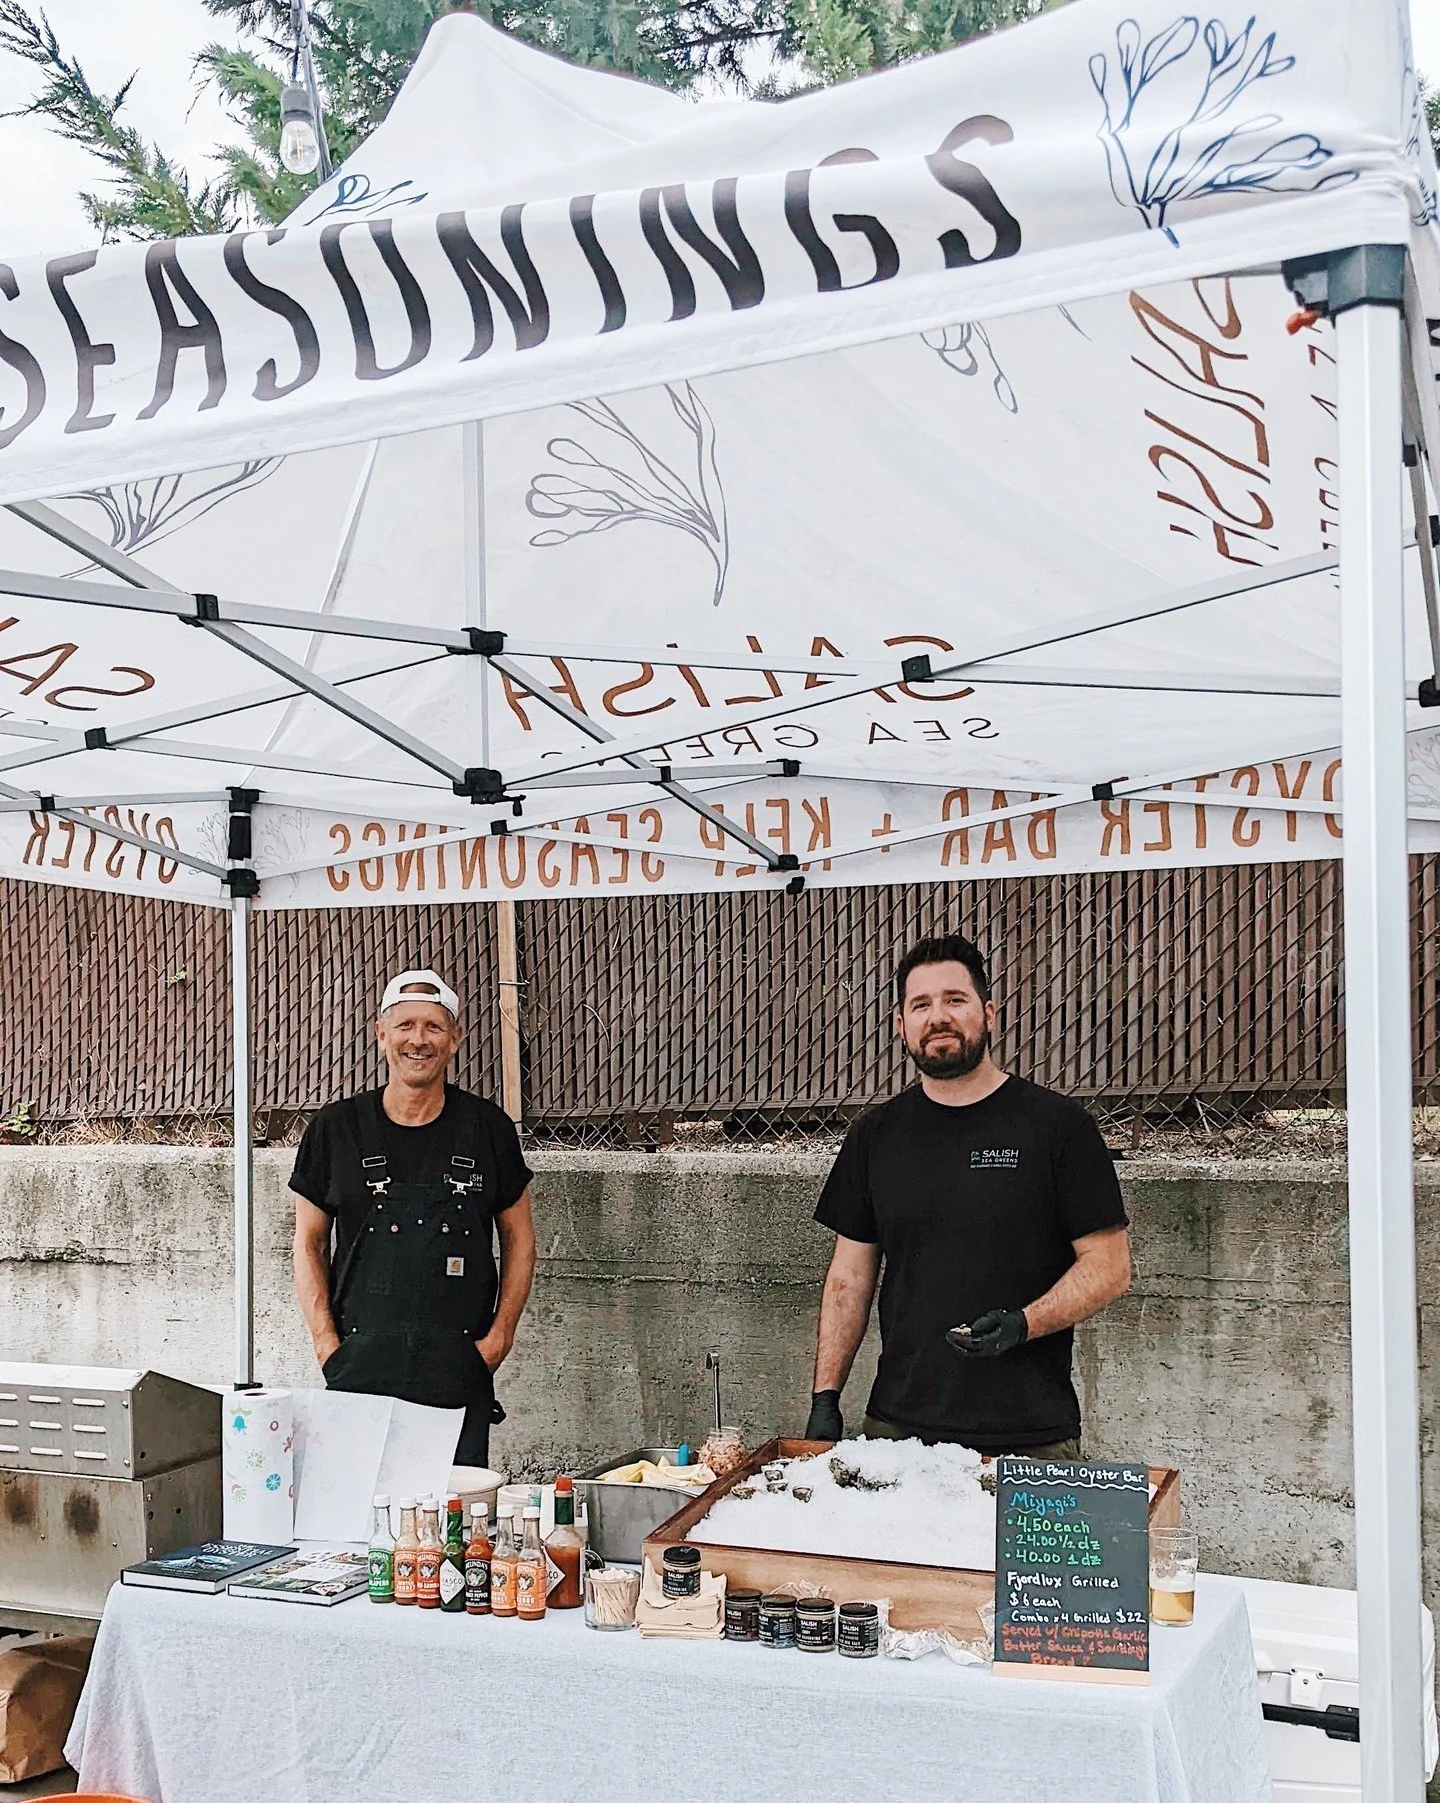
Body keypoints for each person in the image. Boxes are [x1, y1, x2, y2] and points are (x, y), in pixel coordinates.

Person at [804, 933, 1131, 1458]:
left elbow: (1110, 1267)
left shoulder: (1058, 1128)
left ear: (989, 1012)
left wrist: (1025, 1324)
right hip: (897, 1432)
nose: (938, 1016)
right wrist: (826, 1397)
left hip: (1030, 1436)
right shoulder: (874, 1136)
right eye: (921, 1004)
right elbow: (850, 1276)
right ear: (901, 1025)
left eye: (955, 1000)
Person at [290, 968, 537, 1467]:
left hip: (458, 1363)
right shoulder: (336, 1129)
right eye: (404, 1026)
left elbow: (520, 1239)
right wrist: (326, 1346)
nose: (417, 1040)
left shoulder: (486, 1128)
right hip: (358, 1363)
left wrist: (499, 1338)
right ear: (382, 1035)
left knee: (454, 1523)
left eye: (433, 1027)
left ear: (455, 1040)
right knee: (357, 1524)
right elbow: (308, 1244)